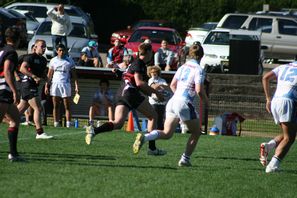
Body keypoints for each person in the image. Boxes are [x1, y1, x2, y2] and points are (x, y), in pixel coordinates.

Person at [133, 44, 209, 167]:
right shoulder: (199, 69)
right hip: (183, 102)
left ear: (190, 54)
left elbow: (172, 85)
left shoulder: (182, 67)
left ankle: (145, 137)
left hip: (173, 102)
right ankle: (185, 159)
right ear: (201, 56)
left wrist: (178, 98)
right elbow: (199, 90)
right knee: (196, 132)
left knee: (167, 133)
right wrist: (206, 101)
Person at [85, 43, 165, 156]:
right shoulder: (139, 63)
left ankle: (94, 131)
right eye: (151, 51)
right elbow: (138, 82)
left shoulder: (134, 63)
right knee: (153, 116)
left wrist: (152, 94)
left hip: (122, 93)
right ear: (147, 52)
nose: (152, 54)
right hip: (131, 94)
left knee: (118, 123)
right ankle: (152, 149)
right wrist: (156, 93)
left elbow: (130, 79)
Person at [260, 61, 297, 173]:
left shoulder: (284, 66)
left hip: (276, 100)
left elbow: (265, 77)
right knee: (289, 138)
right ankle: (272, 166)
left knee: (290, 131)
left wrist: (268, 99)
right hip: (289, 101)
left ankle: (269, 146)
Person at [17, 39, 53, 139]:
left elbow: (42, 73)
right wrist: (33, 76)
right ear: (35, 47)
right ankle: (40, 133)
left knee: (19, 110)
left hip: (32, 86)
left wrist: (47, 80)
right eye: (42, 46)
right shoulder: (30, 57)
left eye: (45, 46)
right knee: (38, 108)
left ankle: (7, 120)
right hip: (28, 85)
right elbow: (22, 69)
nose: (44, 48)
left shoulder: (43, 60)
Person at [0, 27, 22, 161]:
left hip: (3, 90)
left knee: (15, 119)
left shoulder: (2, 49)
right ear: (18, 39)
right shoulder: (11, 52)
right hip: (3, 90)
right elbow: (7, 70)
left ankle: (13, 154)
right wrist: (15, 90)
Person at [45, 43, 79, 128]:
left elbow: (74, 75)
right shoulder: (53, 60)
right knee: (55, 105)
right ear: (57, 51)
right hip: (55, 84)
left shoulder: (69, 60)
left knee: (67, 105)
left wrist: (76, 86)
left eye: (63, 50)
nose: (61, 52)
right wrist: (47, 85)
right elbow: (49, 75)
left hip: (65, 84)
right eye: (60, 50)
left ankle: (68, 123)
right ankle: (56, 123)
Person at [147, 65, 172, 131]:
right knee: (154, 116)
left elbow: (166, 87)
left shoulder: (162, 80)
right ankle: (152, 130)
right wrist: (161, 86)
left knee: (161, 117)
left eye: (155, 72)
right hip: (153, 102)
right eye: (152, 72)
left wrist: (159, 85)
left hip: (162, 102)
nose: (154, 73)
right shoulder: (150, 80)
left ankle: (160, 131)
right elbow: (154, 87)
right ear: (150, 73)